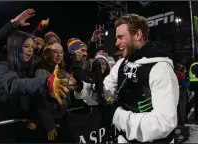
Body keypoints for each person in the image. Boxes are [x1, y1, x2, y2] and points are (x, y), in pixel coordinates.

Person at [74, 14, 179, 143]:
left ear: (138, 35)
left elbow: (164, 123)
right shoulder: (121, 65)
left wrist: (117, 115)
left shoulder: (160, 68)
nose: (116, 43)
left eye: (120, 37)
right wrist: (81, 87)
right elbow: (105, 92)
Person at [0, 30, 73, 142]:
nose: (31, 50)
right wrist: (47, 82)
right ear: (14, 47)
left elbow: (34, 97)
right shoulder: (1, 66)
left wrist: (37, 118)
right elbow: (15, 85)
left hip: (22, 127)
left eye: (31, 46)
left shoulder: (28, 66)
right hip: (2, 129)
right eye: (26, 46)